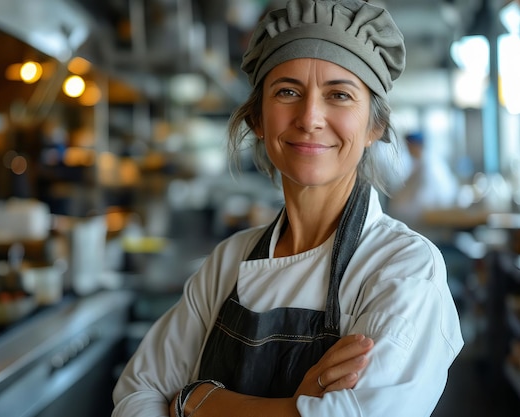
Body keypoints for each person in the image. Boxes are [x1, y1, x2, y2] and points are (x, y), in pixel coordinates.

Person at [112, 1, 464, 416]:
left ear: (375, 126)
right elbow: (135, 398)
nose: (310, 117)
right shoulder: (228, 262)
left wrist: (196, 400)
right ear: (259, 120)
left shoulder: (403, 268)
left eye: (338, 94)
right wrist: (295, 405)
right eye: (288, 92)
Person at [387, 131, 460, 234]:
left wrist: (396, 210)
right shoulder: (420, 163)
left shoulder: (429, 166)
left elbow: (422, 201)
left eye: (409, 146)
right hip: (423, 219)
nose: (408, 150)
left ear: (415, 145)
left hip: (431, 223)